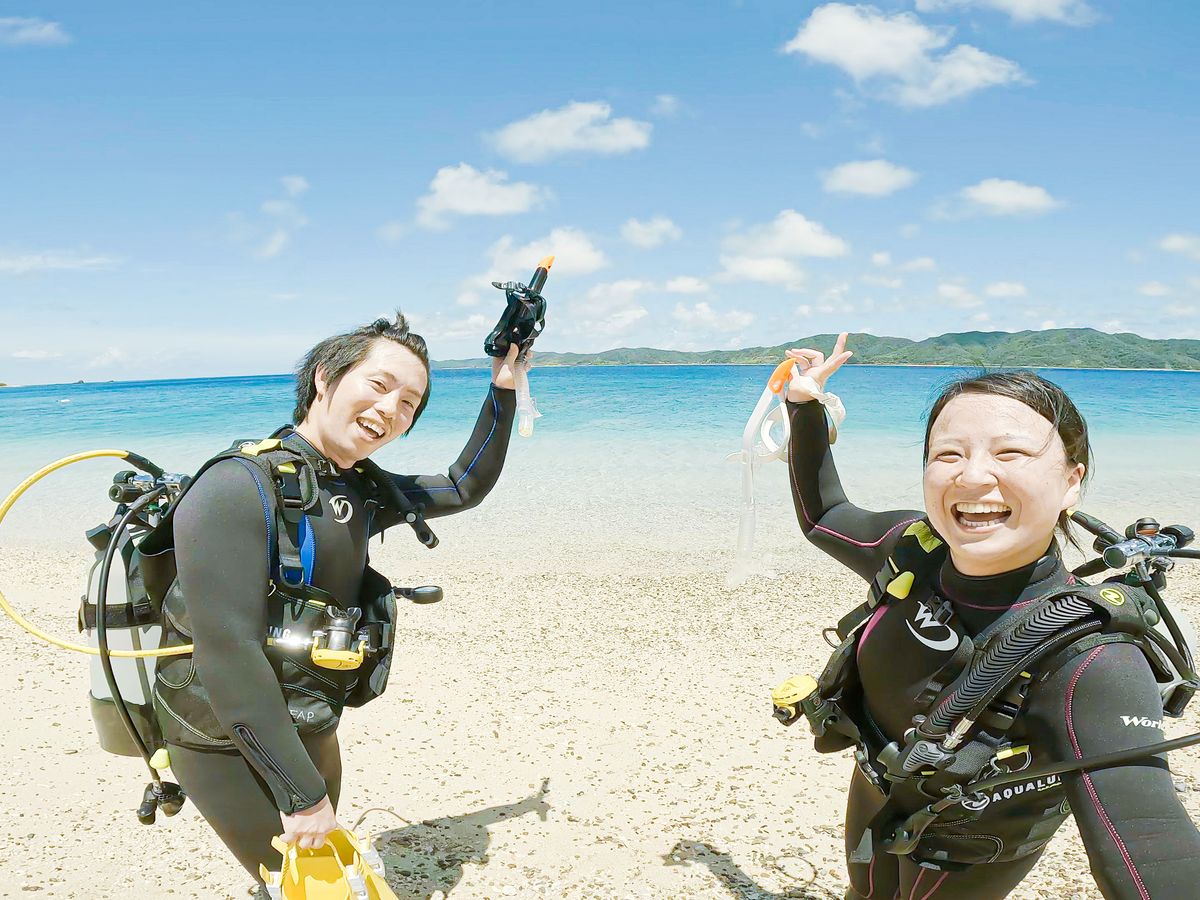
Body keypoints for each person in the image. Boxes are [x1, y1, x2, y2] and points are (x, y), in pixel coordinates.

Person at [783, 333, 1200, 899]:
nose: (973, 476)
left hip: (973, 847)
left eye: (1010, 454)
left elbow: (1151, 835)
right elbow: (825, 514)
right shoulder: (911, 549)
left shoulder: (1091, 659)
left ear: (1071, 481)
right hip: (878, 780)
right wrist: (803, 407)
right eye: (948, 455)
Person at [143, 313, 521, 883]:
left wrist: (503, 386)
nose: (390, 409)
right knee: (305, 883)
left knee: (306, 882)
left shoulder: (359, 486)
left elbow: (463, 485)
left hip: (309, 721)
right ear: (324, 378)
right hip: (221, 736)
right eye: (379, 385)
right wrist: (302, 798)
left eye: (409, 403)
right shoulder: (236, 486)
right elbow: (227, 652)